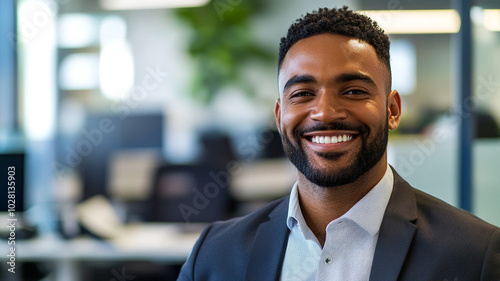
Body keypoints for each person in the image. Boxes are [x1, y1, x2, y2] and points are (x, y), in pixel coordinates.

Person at [177, 6, 500, 281]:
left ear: (392, 111)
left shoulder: (475, 254)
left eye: (354, 91)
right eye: (303, 94)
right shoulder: (215, 254)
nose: (325, 113)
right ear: (280, 116)